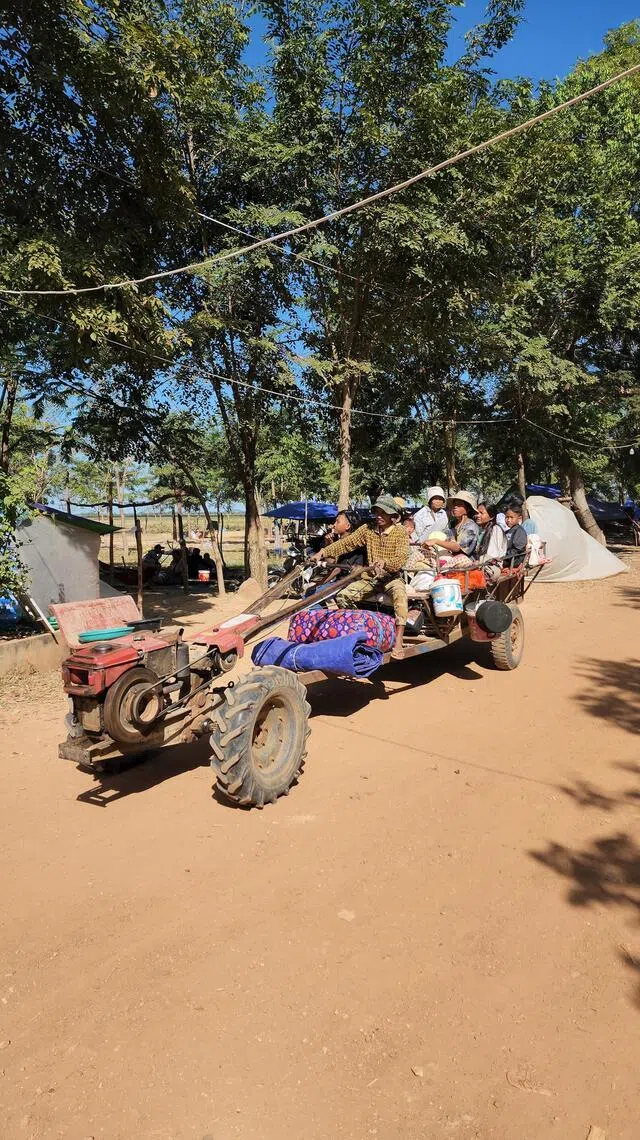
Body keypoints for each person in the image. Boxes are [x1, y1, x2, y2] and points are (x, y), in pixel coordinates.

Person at [312, 493, 410, 658]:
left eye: (383, 513)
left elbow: (401, 558)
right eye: (377, 512)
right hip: (370, 579)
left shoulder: (400, 532)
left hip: (391, 578)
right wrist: (323, 552)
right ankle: (365, 629)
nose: (379, 516)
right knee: (343, 596)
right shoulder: (368, 529)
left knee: (400, 596)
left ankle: (398, 640)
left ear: (393, 515)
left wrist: (385, 562)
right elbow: (346, 543)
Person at [424, 490, 479, 558]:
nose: (455, 507)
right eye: (454, 504)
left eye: (459, 504)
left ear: (468, 509)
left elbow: (457, 548)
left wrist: (436, 541)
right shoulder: (453, 523)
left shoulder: (471, 527)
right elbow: (445, 538)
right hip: (449, 555)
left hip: (464, 560)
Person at [503, 502, 528, 566]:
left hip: (513, 561)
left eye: (511, 517)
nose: (508, 520)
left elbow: (518, 548)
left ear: (519, 518)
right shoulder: (507, 531)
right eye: (507, 517)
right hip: (506, 558)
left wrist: (504, 555)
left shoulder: (519, 531)